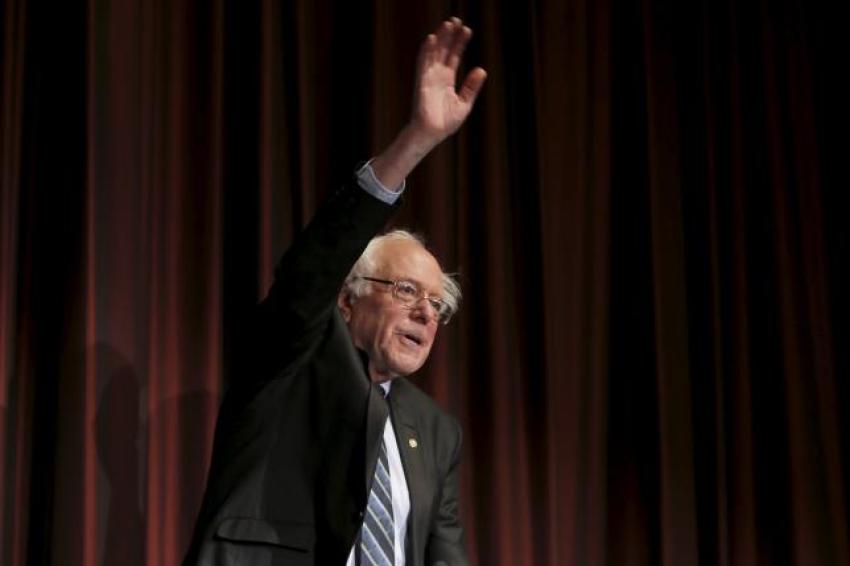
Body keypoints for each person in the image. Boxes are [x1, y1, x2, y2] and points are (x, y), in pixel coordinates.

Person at [183, 17, 486, 566]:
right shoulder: (288, 364)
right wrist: (417, 140)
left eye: (438, 304)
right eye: (406, 290)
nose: (426, 312)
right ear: (347, 299)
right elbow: (312, 270)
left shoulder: (437, 431)